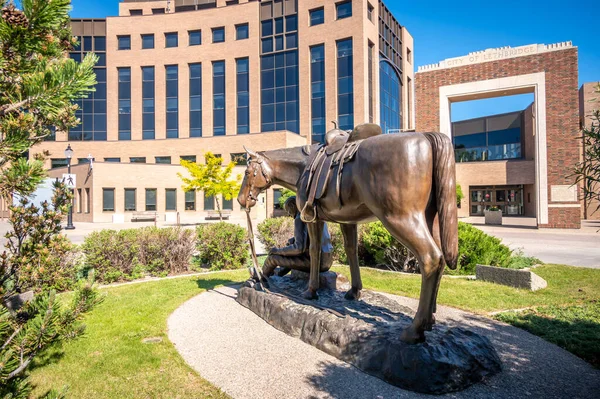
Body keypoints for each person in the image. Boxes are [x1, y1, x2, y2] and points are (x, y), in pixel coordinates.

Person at [262, 196, 333, 277]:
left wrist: (277, 251)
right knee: (291, 247)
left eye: (288, 210)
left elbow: (298, 249)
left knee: (272, 259)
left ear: (293, 206)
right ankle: (279, 272)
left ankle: (261, 278)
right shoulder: (314, 215)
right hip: (327, 261)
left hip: (315, 262)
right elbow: (313, 237)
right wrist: (293, 240)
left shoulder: (300, 218)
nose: (289, 214)